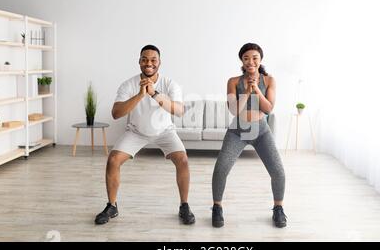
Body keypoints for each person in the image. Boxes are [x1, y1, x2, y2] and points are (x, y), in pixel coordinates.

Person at [95, 45, 195, 225]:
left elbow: (179, 111)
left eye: (153, 60)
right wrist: (141, 94)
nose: (149, 63)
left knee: (183, 160)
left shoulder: (169, 84)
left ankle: (184, 206)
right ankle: (112, 206)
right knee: (113, 160)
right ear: (139, 62)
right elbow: (116, 113)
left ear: (159, 62)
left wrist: (154, 93)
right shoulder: (128, 84)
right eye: (145, 59)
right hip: (136, 132)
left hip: (165, 131)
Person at [211, 43, 287, 228]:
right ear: (242, 61)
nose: (250, 61)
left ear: (260, 60)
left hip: (261, 131)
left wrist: (257, 90)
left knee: (278, 171)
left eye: (254, 58)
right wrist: (246, 92)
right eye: (246, 58)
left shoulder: (269, 80)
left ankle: (278, 208)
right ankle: (217, 207)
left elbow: (268, 108)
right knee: (221, 168)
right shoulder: (233, 81)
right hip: (238, 130)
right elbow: (234, 110)